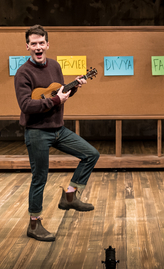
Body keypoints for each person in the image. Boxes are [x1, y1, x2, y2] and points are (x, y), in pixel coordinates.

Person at [14, 24, 100, 242]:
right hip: (36, 132)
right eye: (33, 44)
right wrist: (54, 100)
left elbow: (61, 93)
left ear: (47, 44)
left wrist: (75, 86)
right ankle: (34, 225)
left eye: (41, 43)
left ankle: (70, 196)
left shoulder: (55, 65)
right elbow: (26, 105)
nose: (38, 47)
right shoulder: (23, 73)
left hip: (58, 128)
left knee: (91, 154)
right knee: (40, 177)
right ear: (27, 47)